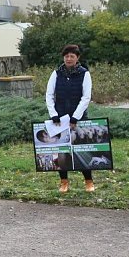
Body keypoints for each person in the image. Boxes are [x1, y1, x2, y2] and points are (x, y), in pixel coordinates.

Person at [46, 44, 94, 193]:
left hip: (78, 118)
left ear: (77, 58)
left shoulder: (84, 74)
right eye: (66, 56)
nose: (68, 58)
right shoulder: (56, 73)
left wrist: (75, 117)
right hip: (59, 119)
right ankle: (64, 182)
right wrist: (53, 114)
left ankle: (89, 181)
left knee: (81, 149)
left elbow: (86, 97)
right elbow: (49, 94)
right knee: (61, 152)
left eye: (72, 56)